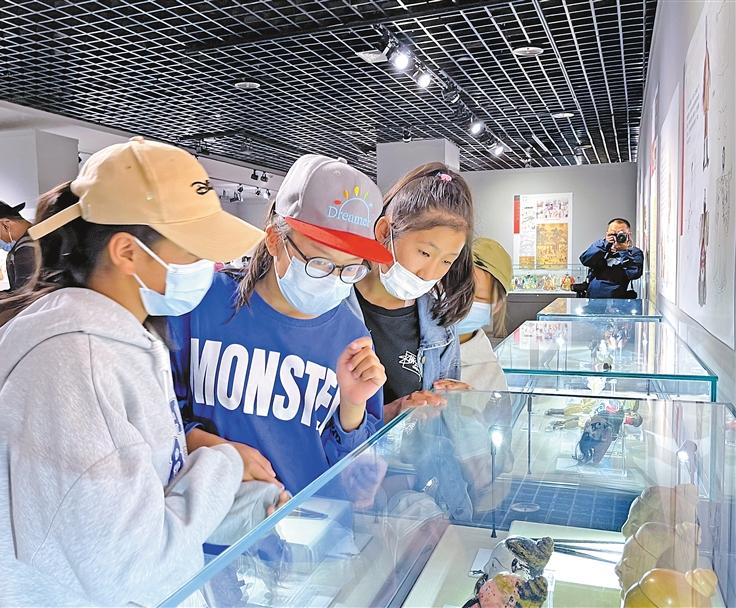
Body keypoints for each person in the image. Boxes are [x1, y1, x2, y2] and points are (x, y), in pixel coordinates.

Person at [0, 137, 286, 607]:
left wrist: (243, 501)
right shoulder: (74, 368)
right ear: (127, 251)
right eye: (193, 251)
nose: (209, 267)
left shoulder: (128, 341)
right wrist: (224, 464)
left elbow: (142, 505)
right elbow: (128, 568)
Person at [169, 154, 389, 495]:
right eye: (320, 261)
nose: (333, 280)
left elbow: (351, 469)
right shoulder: (202, 303)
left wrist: (353, 407)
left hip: (310, 520)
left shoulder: (352, 337)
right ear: (275, 239)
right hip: (212, 516)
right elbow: (153, 420)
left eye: (350, 268)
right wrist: (217, 451)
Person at [346, 163, 476, 424]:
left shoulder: (440, 322)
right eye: (425, 253)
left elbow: (438, 426)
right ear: (385, 232)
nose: (430, 273)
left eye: (447, 261)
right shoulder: (333, 305)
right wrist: (391, 414)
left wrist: (451, 405)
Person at [454, 237, 512, 391]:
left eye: (478, 298)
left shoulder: (489, 374)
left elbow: (498, 406)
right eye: (456, 292)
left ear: (497, 305)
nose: (461, 304)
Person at [579, 218, 644, 299]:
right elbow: (585, 260)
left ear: (629, 235)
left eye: (621, 234)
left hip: (618, 300)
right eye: (613, 234)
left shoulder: (634, 252)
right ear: (607, 234)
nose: (617, 237)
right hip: (593, 298)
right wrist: (605, 245)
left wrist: (623, 251)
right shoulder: (600, 247)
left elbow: (634, 274)